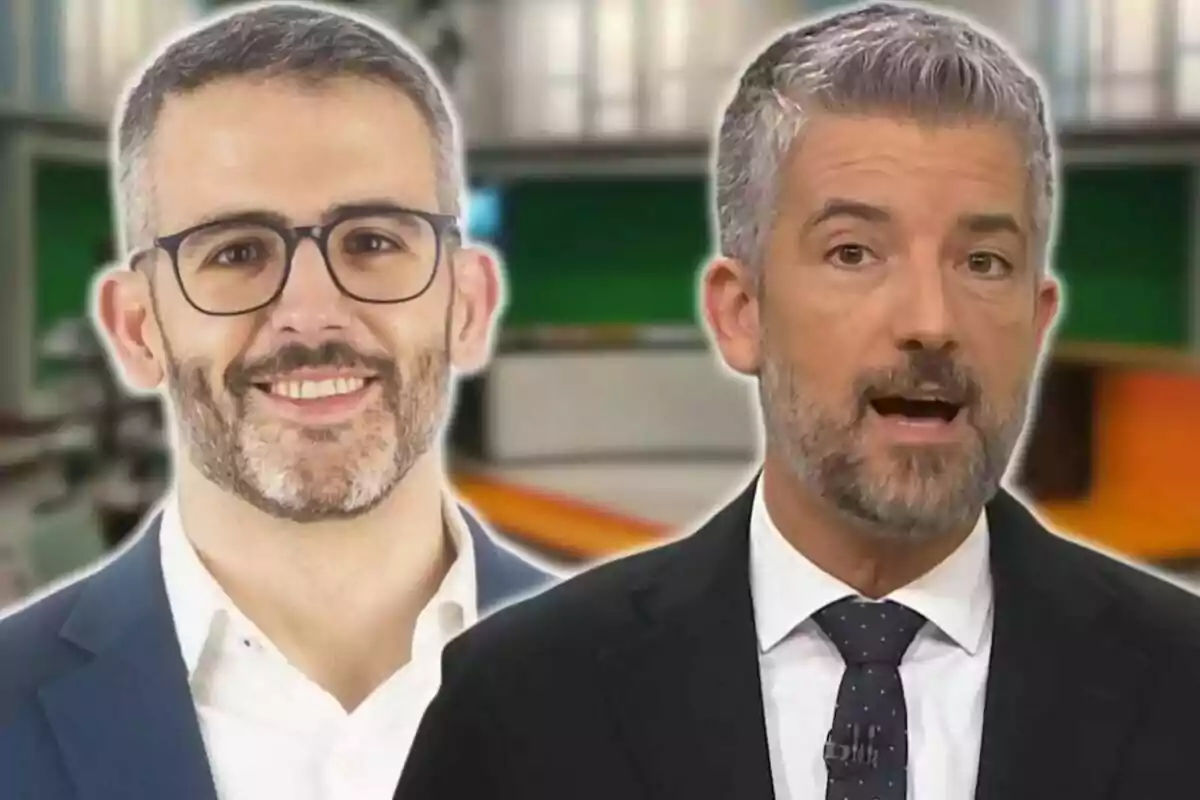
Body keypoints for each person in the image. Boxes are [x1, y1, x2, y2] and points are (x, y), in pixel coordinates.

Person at [393, 4, 1200, 800]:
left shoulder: (1182, 687)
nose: (931, 322)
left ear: (1038, 322)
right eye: (854, 252)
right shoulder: (517, 707)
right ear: (741, 314)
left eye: (984, 262)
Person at [0, 3, 550, 799]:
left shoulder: (655, 698)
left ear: (468, 305)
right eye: (236, 252)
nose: (311, 313)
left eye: (371, 241)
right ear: (136, 328)